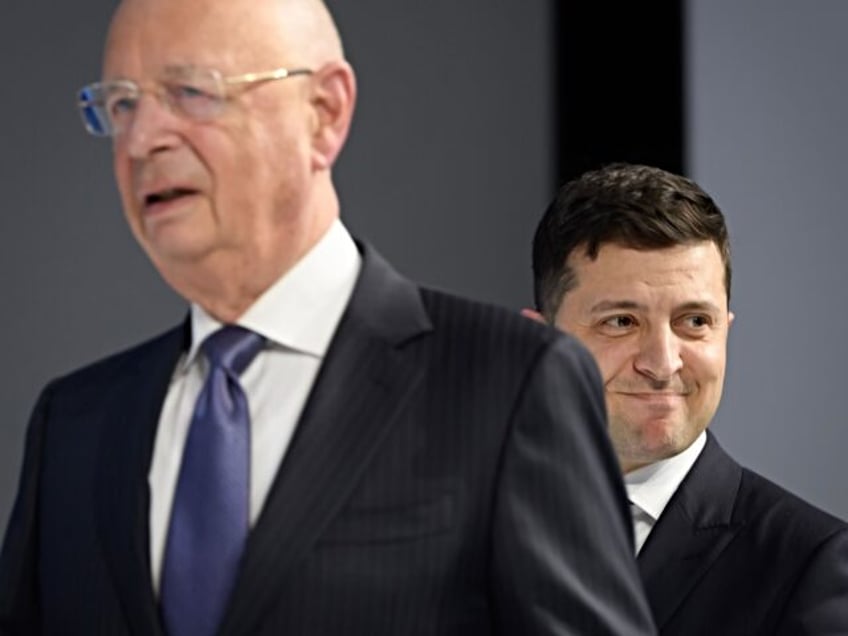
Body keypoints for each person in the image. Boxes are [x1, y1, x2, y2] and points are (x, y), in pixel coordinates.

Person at [0, 2, 657, 635]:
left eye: (190, 91)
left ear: (324, 113)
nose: (142, 138)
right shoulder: (74, 425)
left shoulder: (512, 383)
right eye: (122, 104)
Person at [527, 162, 848, 635]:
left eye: (694, 321)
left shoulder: (809, 564)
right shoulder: (451, 537)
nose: (663, 363)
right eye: (621, 321)